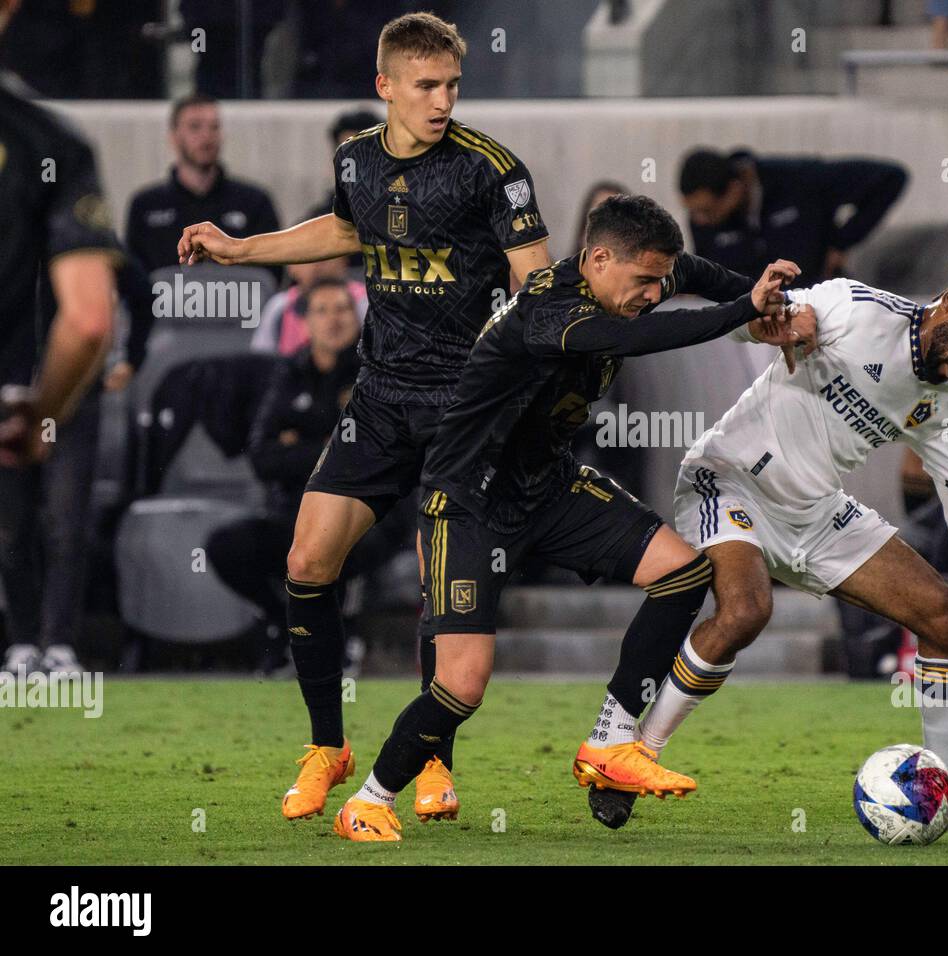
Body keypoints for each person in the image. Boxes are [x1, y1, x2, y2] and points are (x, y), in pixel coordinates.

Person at [330, 194, 812, 842]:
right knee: (461, 687)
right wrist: (743, 313)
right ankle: (369, 799)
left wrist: (751, 291)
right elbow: (640, 337)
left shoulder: (633, 277)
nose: (651, 293)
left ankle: (612, 741)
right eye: (642, 281)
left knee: (681, 573)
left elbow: (688, 275)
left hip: (546, 486)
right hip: (468, 501)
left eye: (654, 281)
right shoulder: (549, 311)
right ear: (598, 258)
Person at [588, 244, 948, 832]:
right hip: (732, 480)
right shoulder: (855, 308)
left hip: (815, 512)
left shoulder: (947, 403)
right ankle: (635, 756)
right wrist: (773, 325)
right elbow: (747, 324)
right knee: (746, 609)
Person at [176, 12, 553, 822]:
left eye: (452, 84)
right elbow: (346, 230)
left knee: (432, 579)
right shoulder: (355, 161)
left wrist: (518, 358)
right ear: (386, 86)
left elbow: (538, 282)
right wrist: (241, 250)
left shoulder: (493, 169)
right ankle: (326, 747)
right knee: (308, 561)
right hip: (380, 401)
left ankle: (429, 766)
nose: (443, 99)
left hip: (464, 410)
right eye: (426, 85)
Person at [0, 0, 119, 675]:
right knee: (27, 525)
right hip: (45, 392)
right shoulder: (53, 144)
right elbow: (91, 317)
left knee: (52, 525)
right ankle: (26, 640)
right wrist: (44, 408)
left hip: (60, 391)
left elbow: (112, 313)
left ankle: (54, 644)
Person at [206, 278, 402, 675]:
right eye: (323, 311)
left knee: (338, 544)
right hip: (292, 514)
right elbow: (261, 456)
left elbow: (378, 452)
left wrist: (298, 443)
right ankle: (282, 624)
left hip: (363, 516)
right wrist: (329, 444)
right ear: (304, 322)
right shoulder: (288, 373)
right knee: (226, 546)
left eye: (343, 310)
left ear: (357, 318)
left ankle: (341, 639)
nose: (334, 320)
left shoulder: (376, 371)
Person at [678, 147, 907, 283]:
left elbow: (890, 178)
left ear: (734, 189)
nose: (700, 220)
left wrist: (841, 242)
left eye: (707, 211)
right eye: (693, 212)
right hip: (749, 327)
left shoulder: (798, 181)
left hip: (816, 310)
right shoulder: (704, 222)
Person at [126, 93, 281, 275]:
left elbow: (271, 273)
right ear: (174, 137)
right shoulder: (146, 206)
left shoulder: (254, 202)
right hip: (163, 302)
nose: (206, 136)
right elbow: (133, 275)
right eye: (195, 127)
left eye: (214, 127)